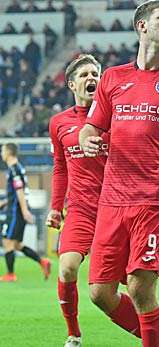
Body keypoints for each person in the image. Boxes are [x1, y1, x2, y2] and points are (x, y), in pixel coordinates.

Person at [78, 1, 159, 346]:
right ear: (142, 26)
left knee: (139, 286)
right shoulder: (112, 78)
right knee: (99, 293)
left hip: (155, 200)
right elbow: (90, 128)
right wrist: (89, 141)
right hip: (112, 201)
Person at [47, 54, 105, 347]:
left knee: (123, 284)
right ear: (71, 84)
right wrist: (56, 208)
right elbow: (60, 168)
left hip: (114, 208)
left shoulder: (113, 118)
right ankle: (73, 333)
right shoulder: (59, 123)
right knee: (67, 268)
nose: (91, 78)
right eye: (84, 75)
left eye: (95, 73)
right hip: (80, 209)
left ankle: (155, 333)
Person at [0, 143, 51, 282]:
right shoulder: (17, 168)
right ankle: (42, 262)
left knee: (7, 242)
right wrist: (5, 203)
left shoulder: (15, 169)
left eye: (3, 150)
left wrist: (24, 210)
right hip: (14, 209)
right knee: (15, 245)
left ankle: (10, 274)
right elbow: (18, 191)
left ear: (9, 152)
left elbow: (20, 190)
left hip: (16, 212)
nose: (1, 153)